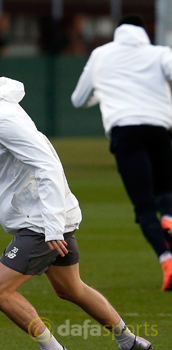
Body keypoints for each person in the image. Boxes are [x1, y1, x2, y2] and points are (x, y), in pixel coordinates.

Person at [0, 55, 153, 350]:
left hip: (41, 220)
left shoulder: (3, 118)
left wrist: (52, 227)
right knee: (71, 289)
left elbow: (48, 166)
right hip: (46, 217)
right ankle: (130, 342)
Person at [72, 15, 172, 291]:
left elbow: (78, 99)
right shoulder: (160, 52)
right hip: (160, 130)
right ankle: (169, 221)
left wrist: (103, 92)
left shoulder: (101, 55)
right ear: (143, 33)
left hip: (125, 132)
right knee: (166, 194)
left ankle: (167, 260)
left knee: (143, 205)